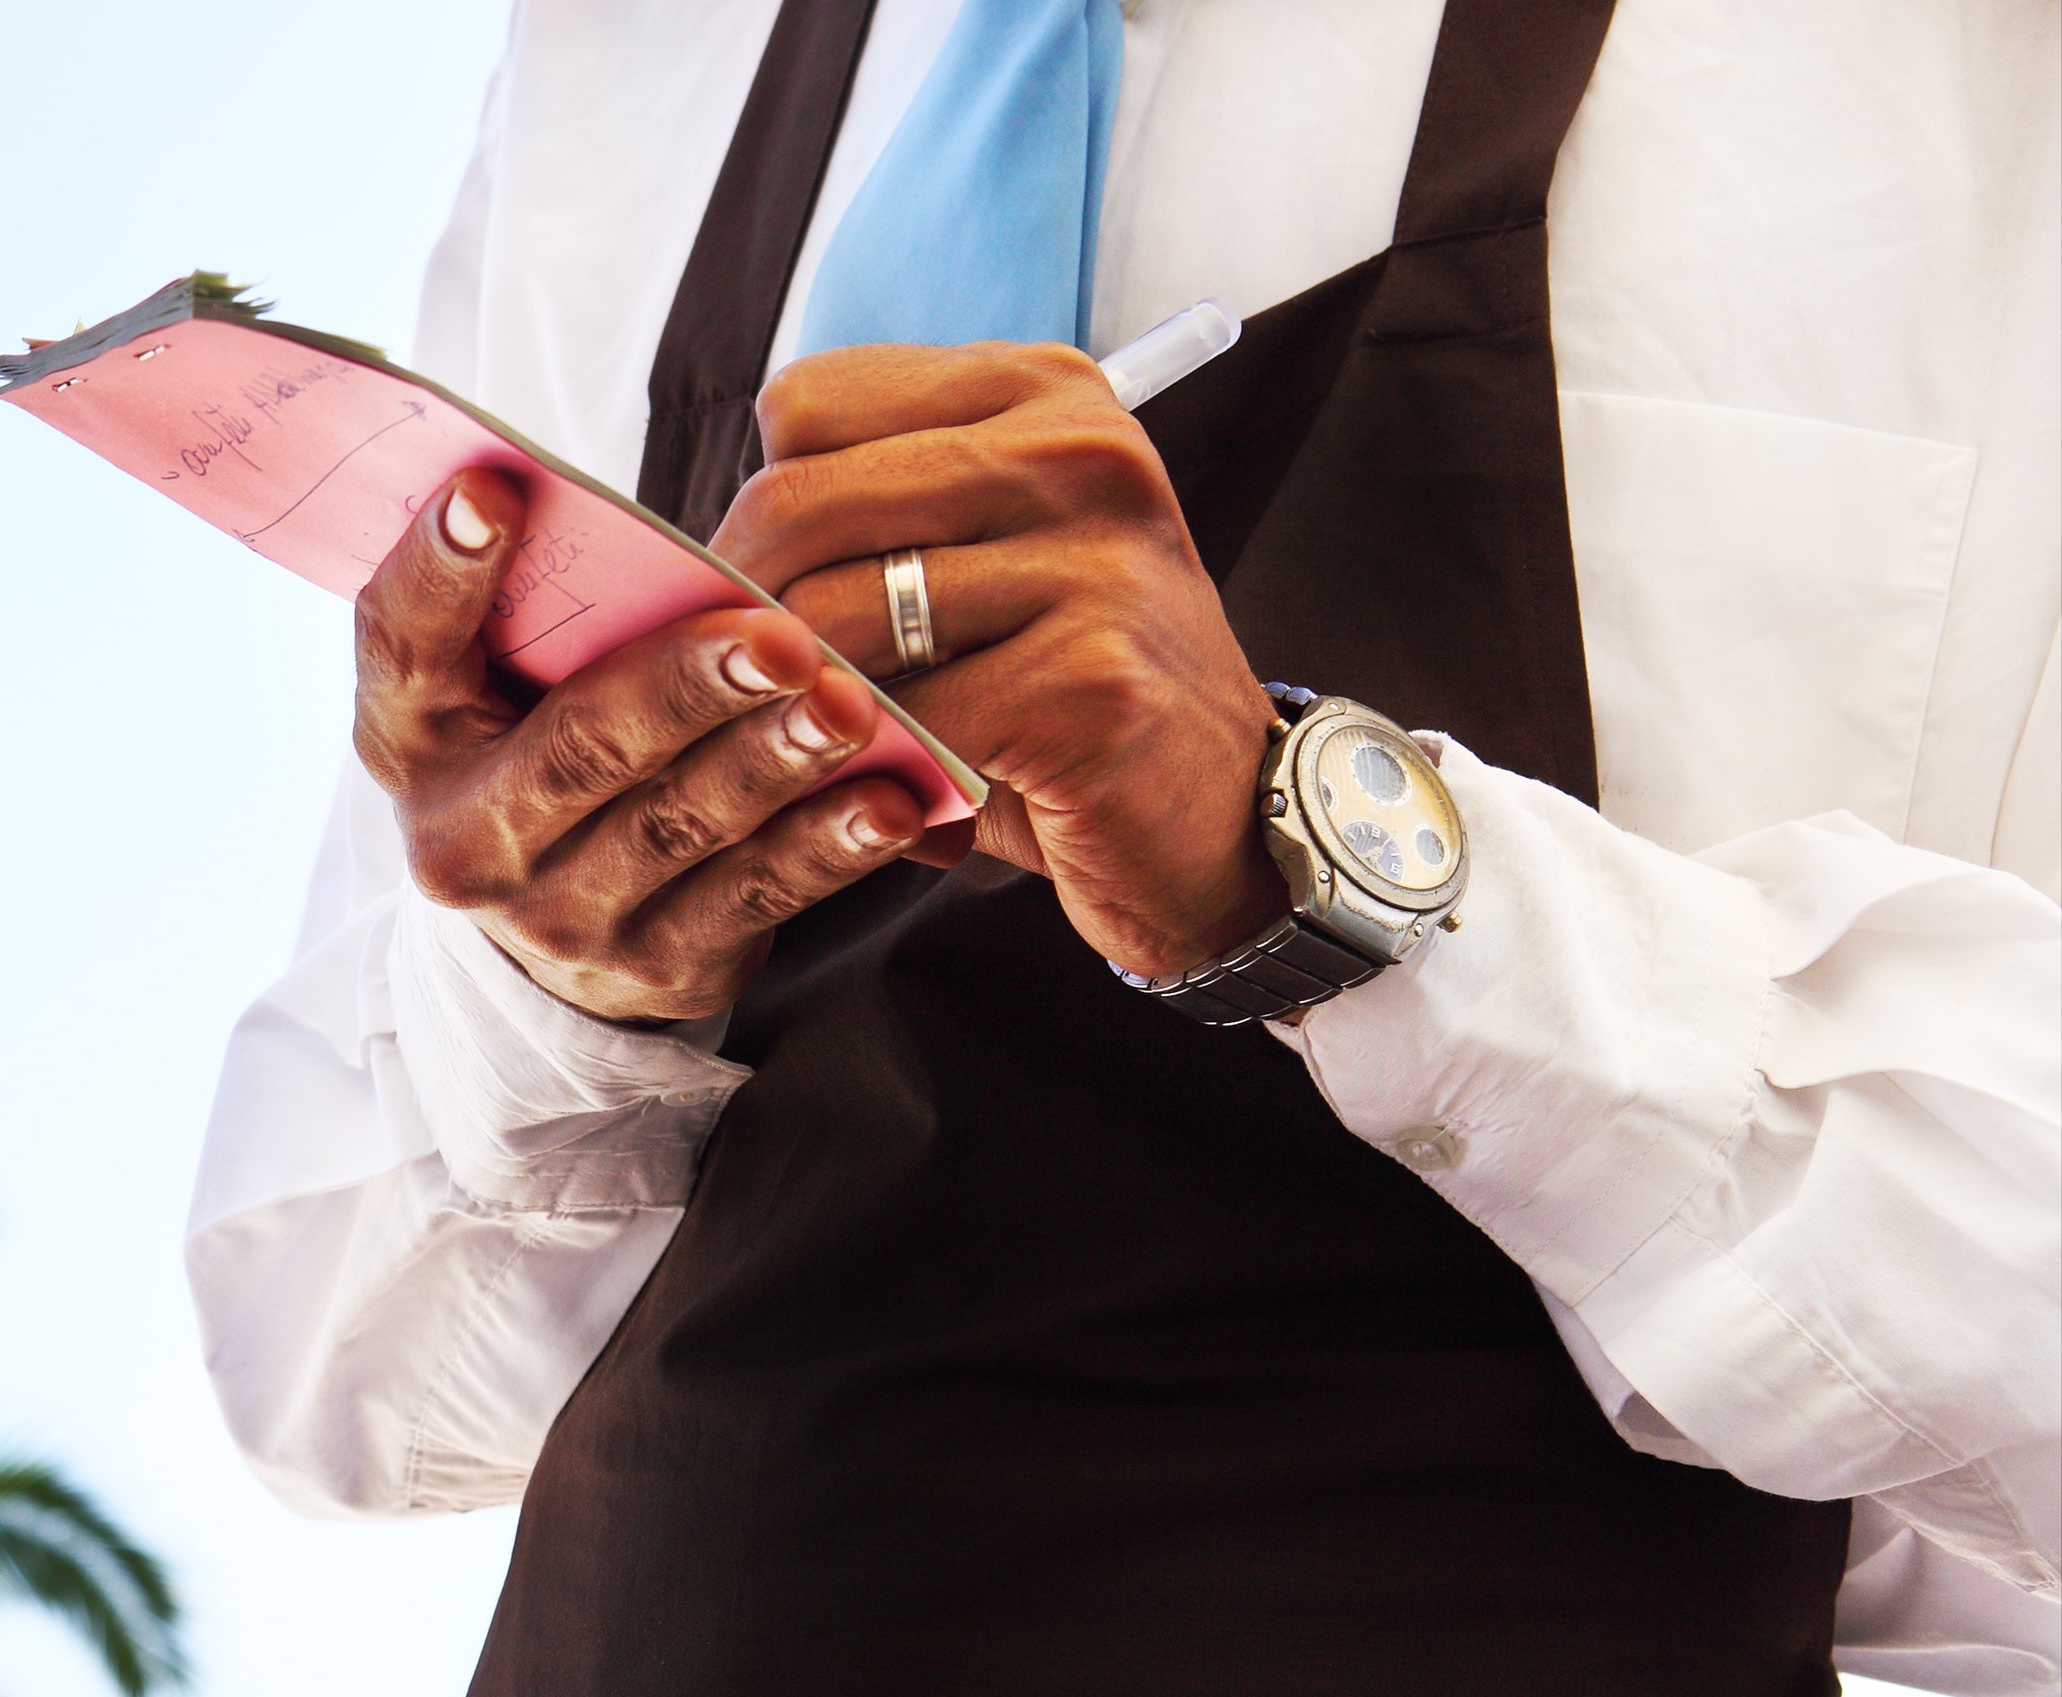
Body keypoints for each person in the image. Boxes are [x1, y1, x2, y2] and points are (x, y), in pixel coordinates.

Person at [184, 0, 2060, 1691]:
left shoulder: (1972, 90)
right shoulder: (624, 61)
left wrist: (1340, 873)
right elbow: (328, 1367)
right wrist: (566, 967)